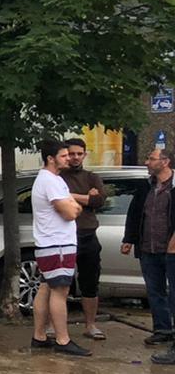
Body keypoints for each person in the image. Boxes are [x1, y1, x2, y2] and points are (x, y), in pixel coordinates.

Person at [30, 138, 90, 357]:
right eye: (64, 156)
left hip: (50, 243)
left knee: (46, 287)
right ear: (50, 158)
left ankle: (39, 336)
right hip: (58, 245)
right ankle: (63, 340)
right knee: (60, 291)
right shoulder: (51, 181)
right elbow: (70, 212)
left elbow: (72, 206)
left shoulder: (51, 179)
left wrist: (73, 205)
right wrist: (75, 207)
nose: (68, 158)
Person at [122, 147, 175, 351]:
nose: (146, 162)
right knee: (155, 292)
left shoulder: (173, 187)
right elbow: (134, 213)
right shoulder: (146, 186)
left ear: (165, 161)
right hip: (148, 248)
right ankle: (162, 330)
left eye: (151, 159)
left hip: (170, 249)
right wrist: (129, 238)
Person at [63, 137, 108, 341]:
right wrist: (85, 197)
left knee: (90, 282)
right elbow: (58, 197)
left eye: (79, 154)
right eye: (71, 153)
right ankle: (54, 326)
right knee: (59, 283)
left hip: (88, 235)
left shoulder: (92, 176)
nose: (75, 157)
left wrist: (71, 196)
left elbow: (99, 200)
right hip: (65, 234)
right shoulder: (58, 177)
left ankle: (90, 325)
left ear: (84, 154)